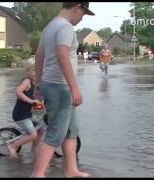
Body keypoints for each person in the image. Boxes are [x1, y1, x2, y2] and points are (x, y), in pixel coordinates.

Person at [33, 2, 94, 177]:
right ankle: (38, 174)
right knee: (55, 132)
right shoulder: (65, 27)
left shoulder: (50, 26)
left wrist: (38, 84)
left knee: (71, 130)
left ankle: (71, 170)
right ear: (78, 7)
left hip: (52, 84)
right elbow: (62, 55)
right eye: (83, 14)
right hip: (60, 87)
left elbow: (39, 55)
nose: (81, 19)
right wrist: (74, 88)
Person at [8, 65, 46, 159]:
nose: (36, 72)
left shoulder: (34, 84)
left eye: (38, 70)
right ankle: (12, 147)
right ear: (28, 71)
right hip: (20, 115)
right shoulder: (27, 81)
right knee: (33, 135)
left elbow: (35, 99)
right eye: (34, 70)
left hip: (28, 115)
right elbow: (18, 92)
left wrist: (38, 105)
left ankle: (34, 148)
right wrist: (31, 102)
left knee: (41, 128)